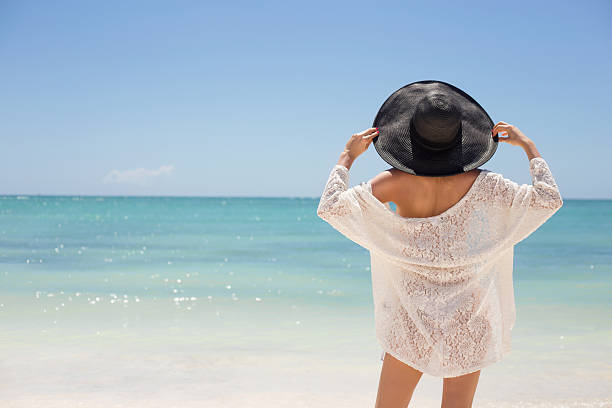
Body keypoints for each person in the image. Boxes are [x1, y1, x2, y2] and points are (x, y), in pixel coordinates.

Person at [316, 81, 563, 408]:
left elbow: (331, 207)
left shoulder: (394, 181)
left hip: (411, 313)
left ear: (410, 134)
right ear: (460, 137)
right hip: (469, 313)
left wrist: (347, 156)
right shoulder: (485, 184)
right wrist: (529, 147)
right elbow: (548, 200)